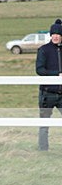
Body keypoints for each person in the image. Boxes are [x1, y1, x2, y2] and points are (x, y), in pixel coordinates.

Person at [35, 18, 62, 151]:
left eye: (58, 34)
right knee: (44, 124)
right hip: (47, 93)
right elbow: (40, 70)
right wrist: (57, 74)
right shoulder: (43, 50)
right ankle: (43, 149)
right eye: (53, 34)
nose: (55, 36)